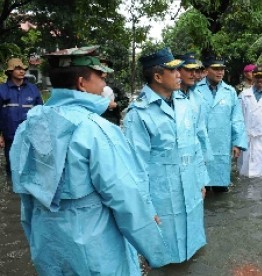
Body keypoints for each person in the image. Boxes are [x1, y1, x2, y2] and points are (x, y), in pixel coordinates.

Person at [10, 46, 169, 275]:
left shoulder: (27, 127)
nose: (104, 84)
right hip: (95, 246)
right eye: (100, 77)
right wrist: (156, 251)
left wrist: (35, 239)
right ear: (82, 83)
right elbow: (126, 198)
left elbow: (26, 199)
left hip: (48, 242)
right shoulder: (96, 130)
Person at [123, 47, 208, 264]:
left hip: (189, 184)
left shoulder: (183, 103)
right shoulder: (139, 114)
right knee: (166, 253)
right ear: (158, 76)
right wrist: (145, 207)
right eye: (174, 71)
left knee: (193, 251)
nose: (180, 74)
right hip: (162, 194)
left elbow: (194, 145)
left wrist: (201, 180)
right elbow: (135, 167)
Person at [196, 53, 248, 192]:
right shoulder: (195, 90)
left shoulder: (230, 91)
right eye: (216, 68)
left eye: (222, 69)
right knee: (202, 189)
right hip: (201, 145)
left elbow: (236, 118)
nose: (220, 72)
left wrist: (237, 143)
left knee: (221, 190)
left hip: (222, 145)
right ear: (206, 70)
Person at [0, 58, 43, 175]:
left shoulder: (32, 89)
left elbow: (40, 111)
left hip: (30, 134)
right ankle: (12, 188)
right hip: (10, 135)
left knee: (30, 165)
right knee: (12, 166)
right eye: (17, 68)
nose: (21, 71)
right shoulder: (2, 90)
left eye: (23, 68)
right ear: (10, 71)